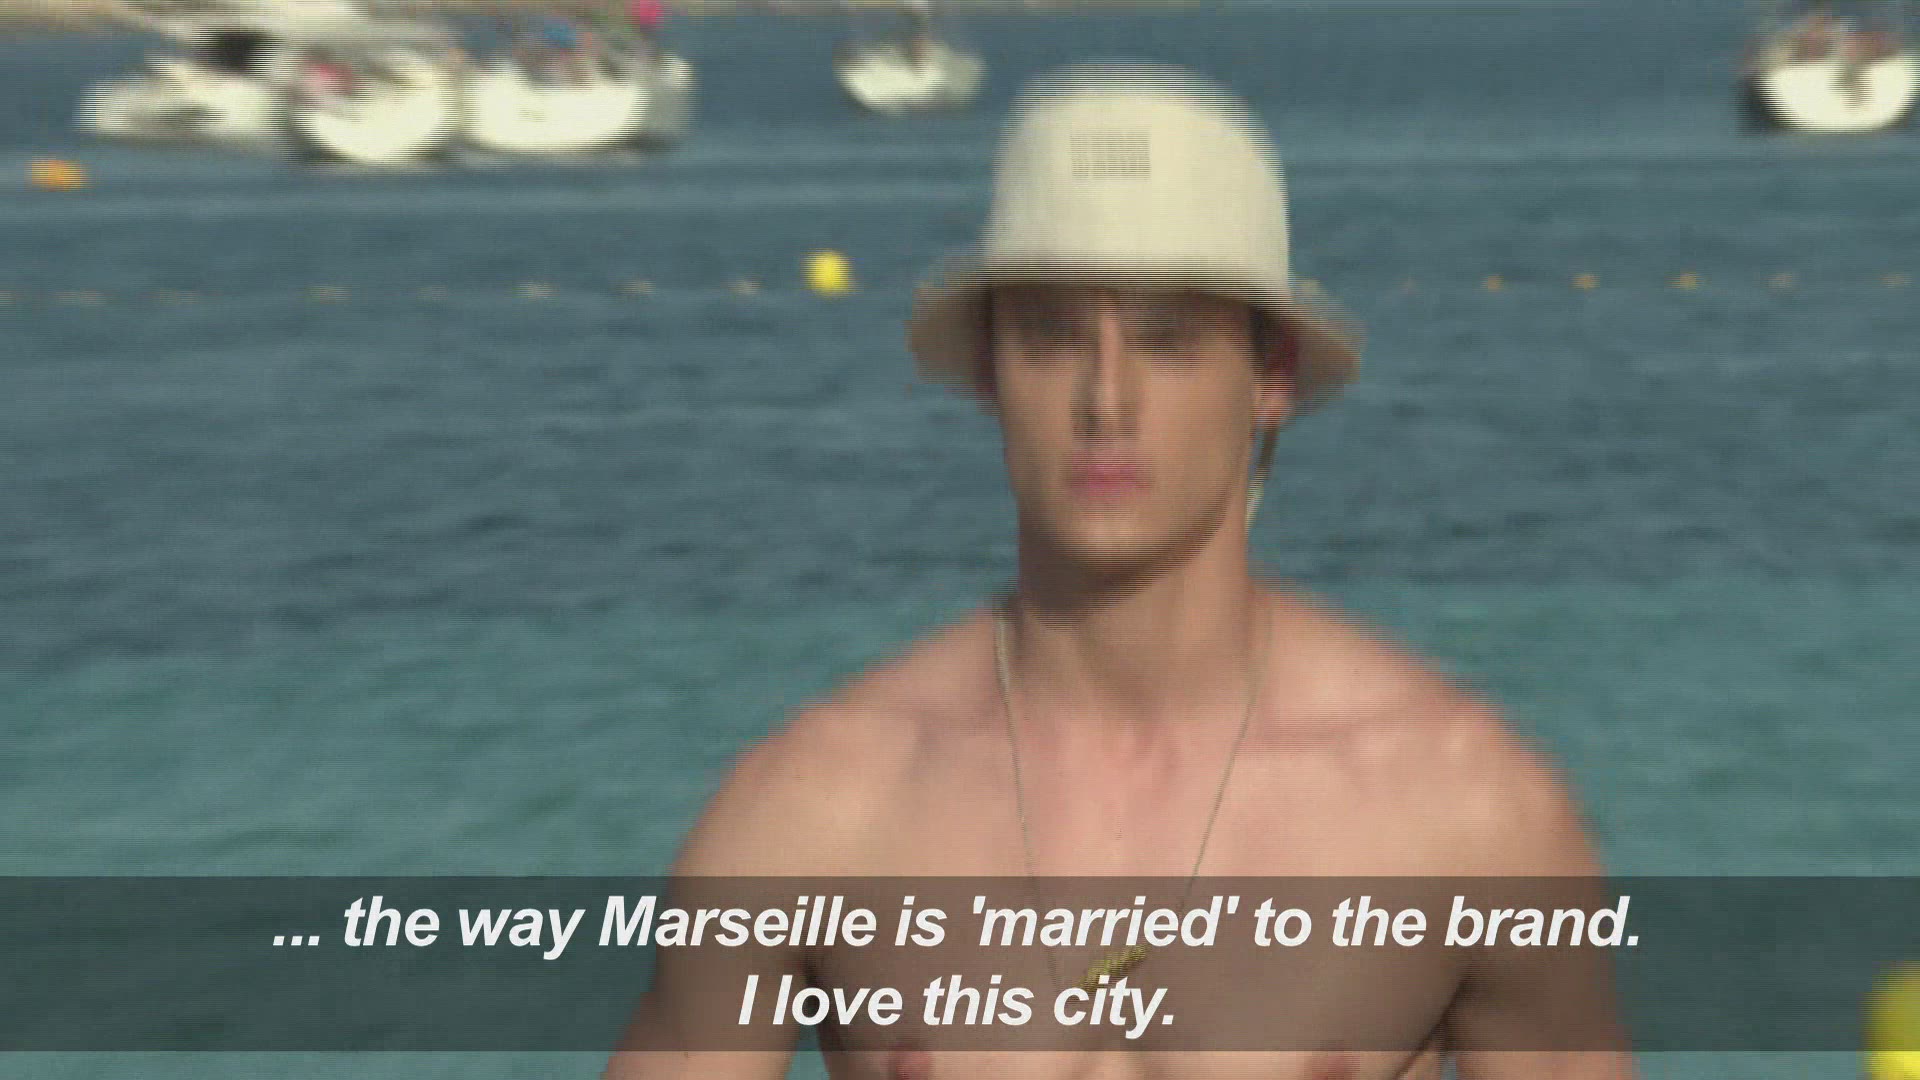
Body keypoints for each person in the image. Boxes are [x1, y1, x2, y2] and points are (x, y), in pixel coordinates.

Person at [605, 63, 1637, 1080]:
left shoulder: (1464, 816)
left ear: (1270, 375)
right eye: (1054, 340)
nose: (1107, 399)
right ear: (989, 371)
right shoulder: (819, 814)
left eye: (1168, 342)